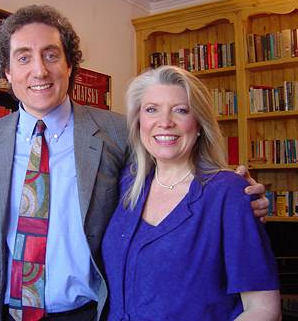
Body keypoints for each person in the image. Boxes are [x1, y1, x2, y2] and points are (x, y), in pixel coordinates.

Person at [0, 5, 270, 320]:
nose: (40, 71)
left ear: (70, 64)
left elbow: (177, 175)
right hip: (4, 312)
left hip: (89, 312)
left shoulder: (119, 132)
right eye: (24, 57)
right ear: (7, 71)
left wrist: (239, 198)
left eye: (52, 55)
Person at [102, 65, 281, 320]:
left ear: (199, 124)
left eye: (181, 110)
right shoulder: (126, 185)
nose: (164, 122)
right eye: (151, 109)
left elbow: (263, 310)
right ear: (139, 122)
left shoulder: (228, 192)